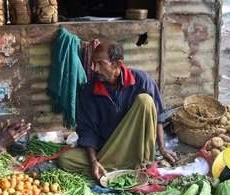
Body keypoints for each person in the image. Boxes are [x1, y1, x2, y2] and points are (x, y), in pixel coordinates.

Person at [58, 41, 177, 180]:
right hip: (108, 148)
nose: (94, 68)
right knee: (66, 160)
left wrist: (162, 148)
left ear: (117, 64)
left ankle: (129, 164)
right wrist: (93, 161)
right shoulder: (90, 89)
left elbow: (158, 117)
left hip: (136, 147)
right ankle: (125, 167)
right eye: (93, 63)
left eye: (100, 63)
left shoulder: (142, 80)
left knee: (145, 100)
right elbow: (88, 129)